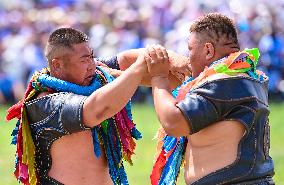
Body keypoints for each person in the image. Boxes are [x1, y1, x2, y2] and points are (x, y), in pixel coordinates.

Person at [6, 27, 190, 185]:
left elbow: (127, 59)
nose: (91, 65)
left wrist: (170, 58)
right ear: (57, 65)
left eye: (92, 56)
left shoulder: (94, 75)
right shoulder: (44, 101)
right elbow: (97, 109)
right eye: (84, 60)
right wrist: (141, 67)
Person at [148, 13, 275, 185]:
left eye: (190, 49)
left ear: (208, 50)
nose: (188, 57)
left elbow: (173, 122)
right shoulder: (245, 76)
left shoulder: (223, 81)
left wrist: (159, 78)